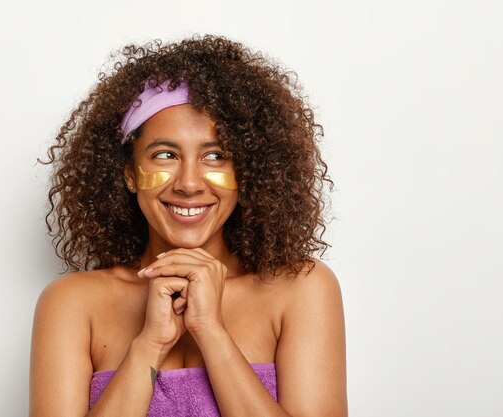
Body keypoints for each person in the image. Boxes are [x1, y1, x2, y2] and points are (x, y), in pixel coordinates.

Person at [29, 35, 347, 417]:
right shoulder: (72, 304)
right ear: (130, 173)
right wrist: (148, 344)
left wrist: (211, 332)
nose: (190, 183)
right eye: (165, 154)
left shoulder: (302, 289)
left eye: (215, 156)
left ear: (246, 172)